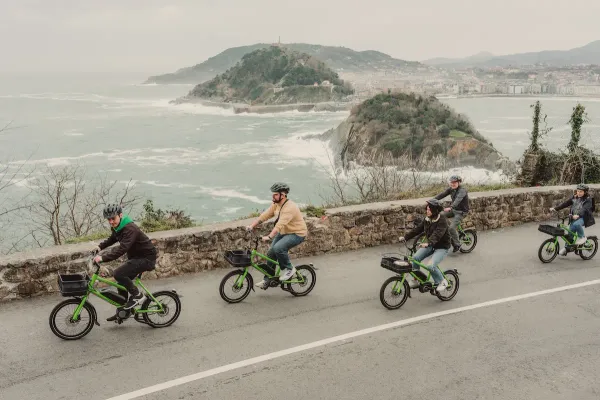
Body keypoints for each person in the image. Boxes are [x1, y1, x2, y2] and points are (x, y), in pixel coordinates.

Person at [93, 204, 158, 319]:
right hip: (137, 257)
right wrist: (99, 247)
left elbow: (123, 248)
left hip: (146, 258)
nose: (111, 222)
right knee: (121, 282)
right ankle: (123, 311)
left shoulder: (130, 229)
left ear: (120, 215)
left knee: (118, 273)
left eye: (113, 218)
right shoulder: (118, 227)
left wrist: (103, 258)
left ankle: (137, 295)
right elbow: (113, 239)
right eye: (109, 219)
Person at [247, 182, 308, 289]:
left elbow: (279, 225)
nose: (273, 196)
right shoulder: (276, 204)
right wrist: (252, 225)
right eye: (273, 194)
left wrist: (269, 236)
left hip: (297, 233)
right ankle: (268, 280)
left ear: (283, 195)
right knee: (271, 253)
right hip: (285, 232)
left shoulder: (290, 208)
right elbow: (265, 215)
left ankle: (289, 269)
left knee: (278, 248)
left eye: (275, 194)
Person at [399, 198, 450, 293]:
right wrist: (406, 237)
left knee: (430, 266)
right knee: (415, 258)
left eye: (429, 209)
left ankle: (442, 282)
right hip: (431, 244)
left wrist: (428, 243)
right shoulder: (427, 219)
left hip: (442, 247)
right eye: (427, 209)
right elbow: (417, 229)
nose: (427, 211)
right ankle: (416, 280)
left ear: (435, 210)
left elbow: (437, 234)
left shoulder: (442, 219)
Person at [550, 183, 595, 254]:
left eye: (581, 191)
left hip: (583, 218)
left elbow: (584, 209)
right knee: (570, 234)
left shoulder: (588, 200)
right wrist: (555, 209)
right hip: (573, 217)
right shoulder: (574, 197)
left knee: (577, 225)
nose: (579, 193)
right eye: (578, 191)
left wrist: (579, 215)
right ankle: (567, 248)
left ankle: (583, 238)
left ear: (585, 192)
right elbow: (566, 203)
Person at [435, 175, 469, 253]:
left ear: (459, 182)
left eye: (455, 182)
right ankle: (449, 233)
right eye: (451, 182)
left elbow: (457, 200)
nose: (452, 184)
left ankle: (457, 244)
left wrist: (450, 207)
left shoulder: (462, 190)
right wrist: (432, 200)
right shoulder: (451, 189)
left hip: (461, 212)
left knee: (451, 228)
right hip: (454, 210)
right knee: (440, 215)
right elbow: (442, 194)